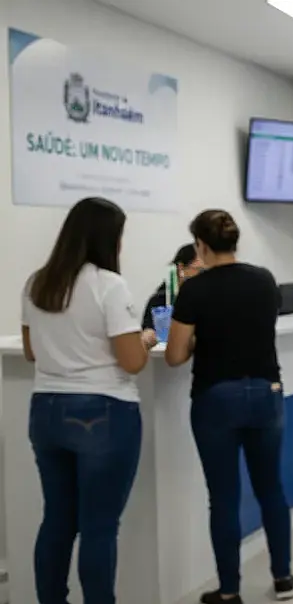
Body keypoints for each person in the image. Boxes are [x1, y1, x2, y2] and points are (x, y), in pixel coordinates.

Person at [20, 197, 156, 604]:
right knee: (98, 527)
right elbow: (131, 362)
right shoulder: (108, 285)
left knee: (58, 520)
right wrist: (144, 340)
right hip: (103, 412)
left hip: (46, 411)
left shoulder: (37, 282)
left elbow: (31, 352)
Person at [163, 210, 293, 603]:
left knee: (223, 497)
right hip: (266, 391)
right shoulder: (264, 279)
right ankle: (283, 578)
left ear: (201, 246)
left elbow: (173, 356)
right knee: (271, 489)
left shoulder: (195, 290)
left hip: (216, 398)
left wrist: (197, 337)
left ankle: (229, 590)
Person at [140, 243, 203, 332]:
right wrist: (149, 334)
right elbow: (149, 331)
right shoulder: (160, 300)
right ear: (181, 268)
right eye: (200, 270)